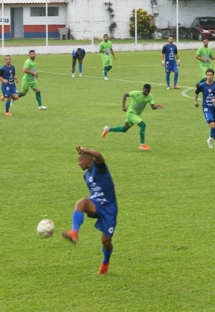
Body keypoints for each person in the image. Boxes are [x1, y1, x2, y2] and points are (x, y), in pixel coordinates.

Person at [61, 146, 118, 275]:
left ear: (88, 160)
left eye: (80, 160)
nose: (78, 163)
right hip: (96, 204)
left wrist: (86, 151)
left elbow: (98, 155)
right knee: (81, 203)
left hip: (109, 207)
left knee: (106, 242)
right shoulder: (86, 175)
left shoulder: (100, 168)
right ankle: (74, 233)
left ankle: (105, 264)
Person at [101, 84, 163, 151]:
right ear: (142, 89)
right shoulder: (136, 93)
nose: (146, 92)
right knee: (143, 125)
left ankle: (108, 129)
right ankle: (142, 145)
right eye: (145, 91)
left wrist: (157, 106)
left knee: (124, 129)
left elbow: (152, 107)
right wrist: (123, 106)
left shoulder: (150, 97)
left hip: (136, 115)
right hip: (131, 113)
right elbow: (125, 94)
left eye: (148, 91)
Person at [194, 68, 215, 150]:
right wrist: (195, 101)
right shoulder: (202, 85)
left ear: (213, 76)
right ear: (206, 76)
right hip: (206, 107)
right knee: (212, 124)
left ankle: (209, 139)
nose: (209, 76)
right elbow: (196, 92)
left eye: (211, 75)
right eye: (208, 75)